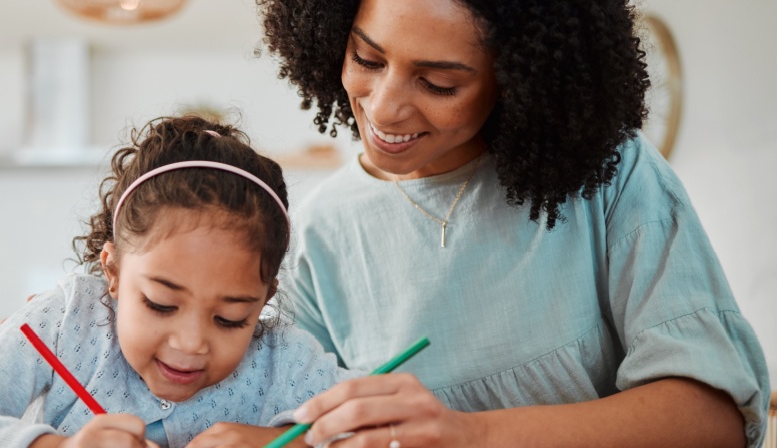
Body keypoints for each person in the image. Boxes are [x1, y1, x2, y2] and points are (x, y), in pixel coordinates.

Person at [256, 0, 771, 447]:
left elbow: (714, 419)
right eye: (366, 58)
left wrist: (473, 437)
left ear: (515, 78)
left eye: (439, 83)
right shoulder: (317, 232)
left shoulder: (610, 176)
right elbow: (306, 424)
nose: (384, 108)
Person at [0, 116, 362, 448]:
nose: (191, 343)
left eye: (231, 318)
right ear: (113, 271)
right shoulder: (64, 321)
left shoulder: (285, 357)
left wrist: (285, 442)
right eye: (160, 304)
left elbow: (381, 431)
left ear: (263, 302)